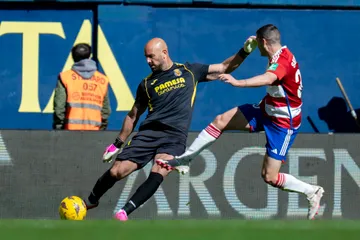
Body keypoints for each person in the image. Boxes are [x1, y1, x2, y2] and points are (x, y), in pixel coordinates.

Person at [157, 24, 324, 220]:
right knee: (220, 121)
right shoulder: (280, 53)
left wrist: (239, 82)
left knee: (269, 176)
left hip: (283, 123)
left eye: (259, 43)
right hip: (266, 110)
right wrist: (246, 49)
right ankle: (186, 159)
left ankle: (311, 191)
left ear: (263, 42)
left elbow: (268, 78)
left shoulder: (282, 60)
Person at [84, 37, 257, 221]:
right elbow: (133, 115)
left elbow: (225, 67)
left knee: (160, 169)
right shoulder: (146, 84)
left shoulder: (190, 71)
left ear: (164, 53)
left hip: (174, 137)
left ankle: (124, 212)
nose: (147, 61)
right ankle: (91, 200)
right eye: (146, 57)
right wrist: (117, 144)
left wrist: (244, 51)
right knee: (117, 171)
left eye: (151, 56)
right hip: (148, 134)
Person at [53, 43, 111, 130]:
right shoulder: (102, 80)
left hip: (69, 133)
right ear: (89, 56)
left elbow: (59, 108)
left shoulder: (65, 77)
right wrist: (101, 129)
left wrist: (59, 129)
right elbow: (105, 111)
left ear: (73, 57)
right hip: (95, 133)